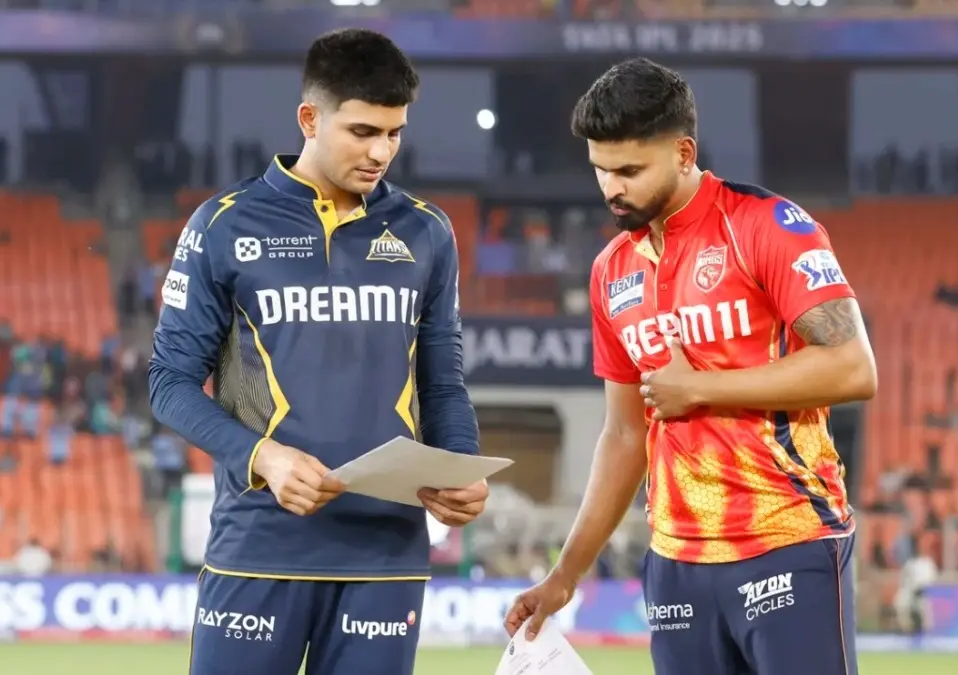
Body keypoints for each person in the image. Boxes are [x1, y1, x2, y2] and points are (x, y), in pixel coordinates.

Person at [503, 58, 877, 675]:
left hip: (788, 541)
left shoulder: (766, 226)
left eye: (629, 171)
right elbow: (624, 435)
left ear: (683, 153)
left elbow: (853, 368)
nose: (611, 188)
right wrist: (564, 575)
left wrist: (699, 388)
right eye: (600, 170)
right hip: (675, 566)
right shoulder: (611, 270)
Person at [149, 29, 486, 675]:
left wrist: (459, 466)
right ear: (309, 118)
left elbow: (443, 383)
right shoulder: (224, 224)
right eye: (362, 131)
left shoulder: (426, 231)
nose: (381, 151)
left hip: (385, 555)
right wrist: (263, 457)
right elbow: (169, 381)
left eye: (394, 133)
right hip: (258, 544)